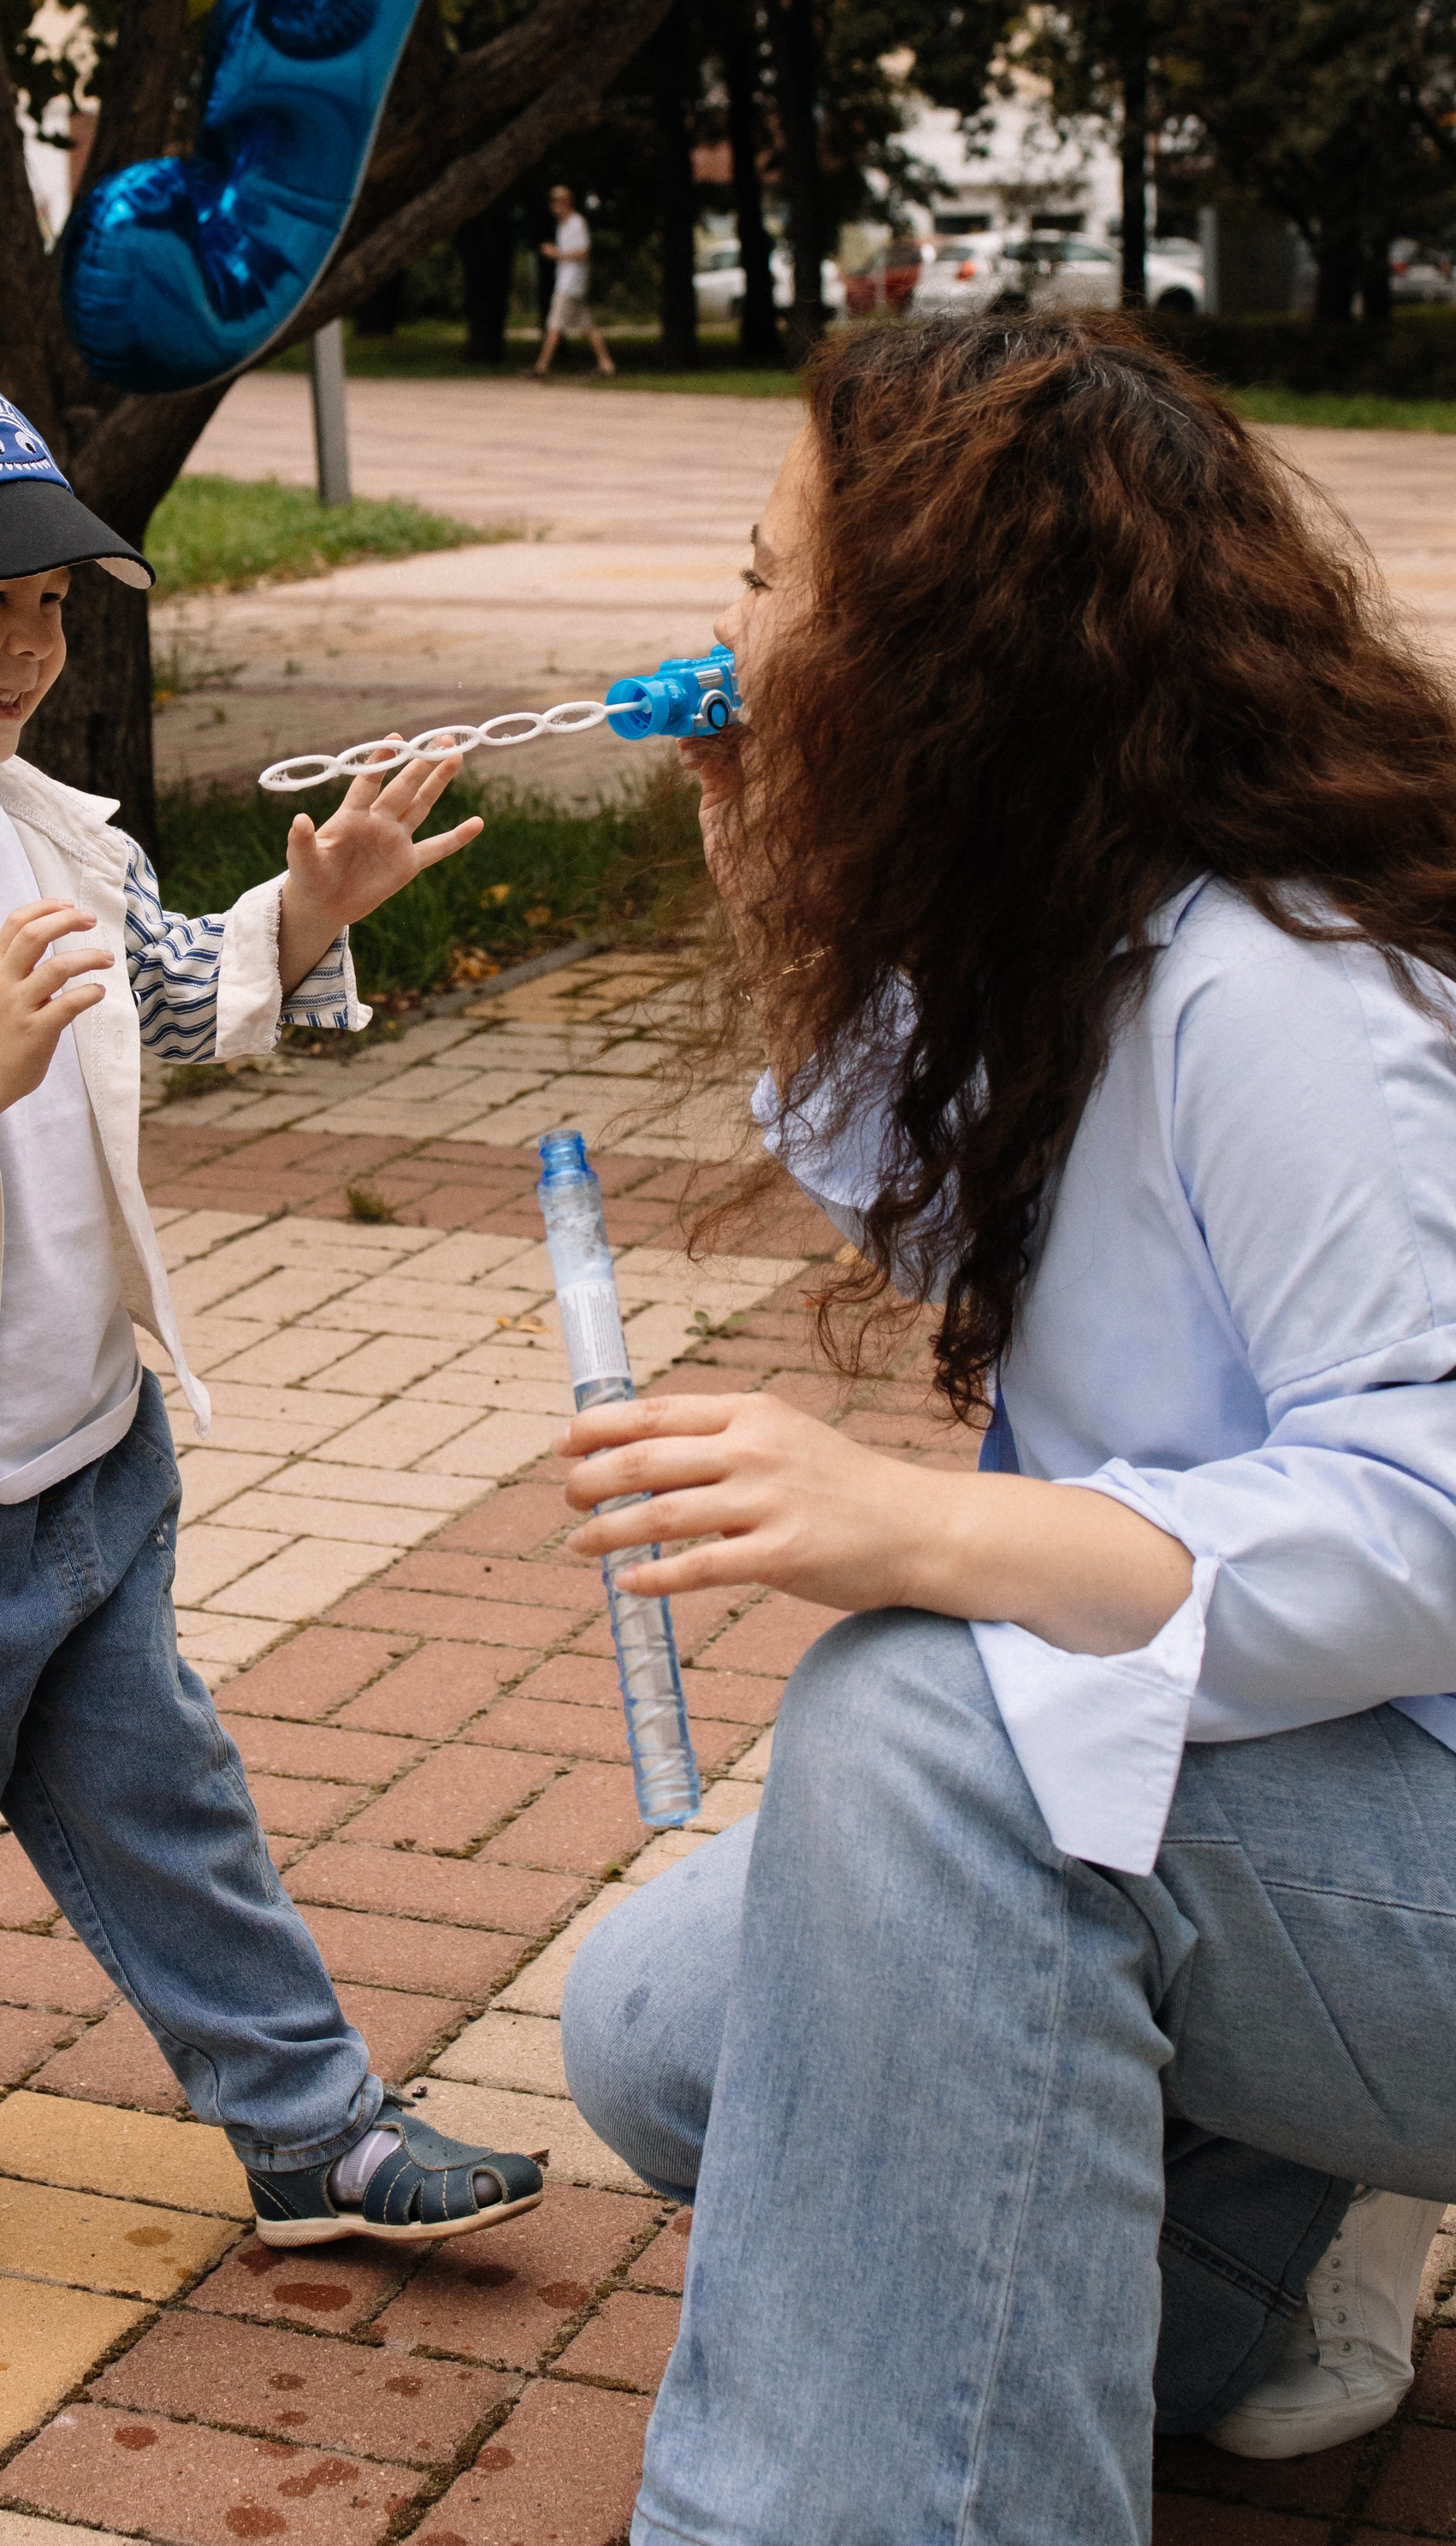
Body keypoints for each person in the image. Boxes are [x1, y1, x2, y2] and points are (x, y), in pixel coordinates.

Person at [554, 312, 1456, 2543]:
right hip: (1312, 1794)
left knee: (933, 1733)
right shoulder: (1093, 930)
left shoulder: (1285, 992)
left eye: (772, 576)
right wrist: (782, 887)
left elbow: (1428, 1522)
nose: (728, 628)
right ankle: (1250, 2250)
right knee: (666, 2027)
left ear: (947, 650)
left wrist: (926, 1538)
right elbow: (980, 1193)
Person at [0, 352, 543, 2277]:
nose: (29, 644)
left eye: (51, 600)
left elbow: (160, 993)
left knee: (170, 1801)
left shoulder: (48, 827)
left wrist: (302, 917)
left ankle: (308, 2122)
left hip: (84, 1447)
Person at [533, 182, 616, 379]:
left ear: (566, 203)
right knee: (587, 327)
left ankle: (541, 367)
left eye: (557, 202)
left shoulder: (576, 223)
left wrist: (557, 254)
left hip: (570, 284)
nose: (553, 207)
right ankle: (607, 364)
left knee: (554, 324)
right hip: (571, 283)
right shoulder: (563, 226)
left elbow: (584, 252)